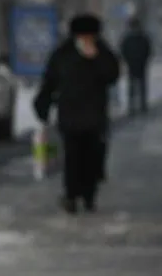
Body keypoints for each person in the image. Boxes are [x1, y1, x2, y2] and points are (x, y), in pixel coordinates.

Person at [33, 14, 120, 214]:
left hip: (95, 114)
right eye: (83, 36)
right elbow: (50, 80)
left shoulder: (103, 52)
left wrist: (96, 58)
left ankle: (89, 195)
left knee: (93, 155)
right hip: (70, 114)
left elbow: (112, 75)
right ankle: (71, 195)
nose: (87, 40)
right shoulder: (63, 54)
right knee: (72, 156)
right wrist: (42, 105)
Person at [120, 17, 152, 115]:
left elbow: (147, 50)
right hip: (136, 64)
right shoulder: (140, 37)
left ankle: (137, 106)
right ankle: (137, 106)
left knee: (136, 86)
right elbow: (147, 49)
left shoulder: (132, 38)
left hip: (136, 64)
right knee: (137, 86)